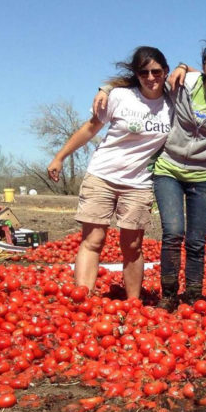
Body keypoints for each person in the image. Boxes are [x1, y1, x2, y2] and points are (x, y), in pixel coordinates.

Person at [98, 41, 206, 309]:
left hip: (203, 174)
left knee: (197, 240)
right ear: (205, 67)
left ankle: (194, 294)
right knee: (173, 232)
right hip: (168, 170)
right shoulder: (183, 83)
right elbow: (140, 84)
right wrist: (105, 88)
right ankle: (170, 293)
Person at [48, 46, 173, 300]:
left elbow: (197, 76)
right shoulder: (119, 96)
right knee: (93, 240)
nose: (151, 77)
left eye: (156, 71)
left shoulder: (172, 103)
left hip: (138, 183)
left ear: (165, 71)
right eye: (144, 72)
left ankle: (133, 304)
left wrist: (183, 67)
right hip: (102, 176)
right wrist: (60, 157)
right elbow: (90, 129)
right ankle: (83, 298)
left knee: (133, 247)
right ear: (136, 75)